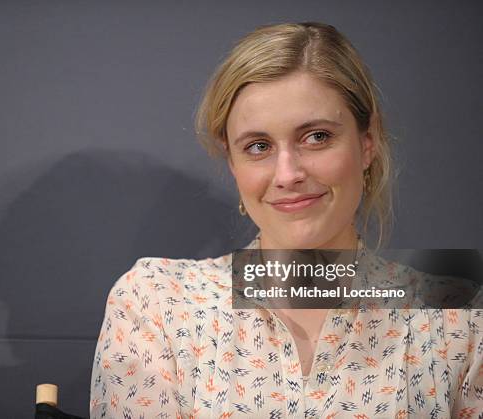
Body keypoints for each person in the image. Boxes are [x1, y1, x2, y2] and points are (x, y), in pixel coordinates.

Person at [89, 22, 482, 418]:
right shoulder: (158, 304)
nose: (287, 174)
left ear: (368, 142)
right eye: (258, 146)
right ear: (232, 162)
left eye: (316, 137)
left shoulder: (459, 315)